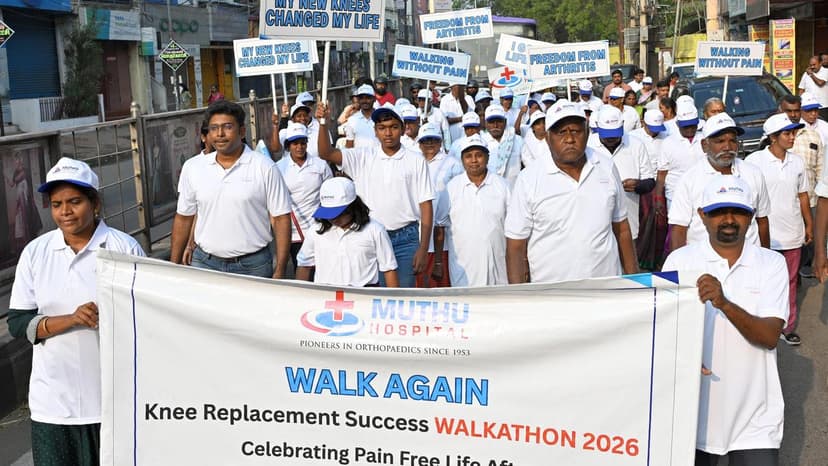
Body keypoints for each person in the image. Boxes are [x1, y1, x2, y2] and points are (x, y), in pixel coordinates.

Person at [7, 157, 145, 466]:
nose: (65, 212)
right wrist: (71, 319)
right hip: (53, 405)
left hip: (112, 403)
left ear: (95, 203)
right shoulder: (36, 253)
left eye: (75, 202)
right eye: (57, 204)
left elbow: (146, 318)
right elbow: (17, 322)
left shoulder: (123, 248)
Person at [662, 174, 787, 466]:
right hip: (692, 416)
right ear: (702, 216)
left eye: (737, 212)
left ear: (751, 216)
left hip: (756, 421)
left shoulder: (772, 264)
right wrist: (684, 357)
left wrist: (724, 303)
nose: (729, 220)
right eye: (719, 212)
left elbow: (770, 337)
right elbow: (664, 334)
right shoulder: (679, 262)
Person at [505, 101, 639, 283]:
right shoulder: (529, 179)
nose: (569, 139)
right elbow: (515, 245)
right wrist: (518, 295)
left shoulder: (606, 167)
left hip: (607, 288)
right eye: (561, 132)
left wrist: (635, 282)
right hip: (553, 292)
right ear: (548, 138)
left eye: (576, 131)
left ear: (587, 133)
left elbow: (622, 228)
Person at [316, 102, 434, 288]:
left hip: (405, 239)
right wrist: (323, 123)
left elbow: (426, 205)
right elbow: (326, 153)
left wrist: (423, 248)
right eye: (382, 128)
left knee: (400, 297)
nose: (388, 133)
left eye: (393, 127)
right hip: (367, 235)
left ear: (402, 129)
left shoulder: (416, 160)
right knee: (370, 294)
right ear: (375, 131)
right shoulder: (362, 156)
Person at [171, 100, 292, 278]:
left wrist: (280, 268)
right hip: (204, 263)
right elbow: (184, 218)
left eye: (227, 127)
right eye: (214, 128)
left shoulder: (264, 167)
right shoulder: (193, 167)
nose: (220, 134)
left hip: (253, 267)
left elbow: (281, 219)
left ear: (242, 131)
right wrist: (173, 267)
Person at [745, 113, 811, 345]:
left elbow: (802, 195)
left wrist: (808, 224)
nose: (792, 137)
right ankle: (758, 322)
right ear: (773, 137)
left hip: (792, 231)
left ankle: (786, 326)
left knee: (790, 282)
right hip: (764, 234)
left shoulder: (797, 162)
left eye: (793, 133)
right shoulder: (754, 162)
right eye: (787, 133)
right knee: (761, 281)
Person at [668, 112, 771, 250]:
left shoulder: (753, 173)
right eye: (720, 141)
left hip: (749, 257)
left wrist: (764, 256)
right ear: (704, 145)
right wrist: (679, 262)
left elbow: (762, 220)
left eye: (732, 141)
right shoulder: (690, 179)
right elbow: (679, 228)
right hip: (703, 259)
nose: (727, 147)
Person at [435, 134, 511, 286]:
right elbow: (439, 226)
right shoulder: (451, 188)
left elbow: (514, 226)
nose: (474, 160)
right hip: (463, 270)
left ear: (487, 158)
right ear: (462, 160)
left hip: (498, 266)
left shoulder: (503, 185)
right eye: (468, 156)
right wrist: (438, 262)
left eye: (479, 155)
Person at [295, 177, 398, 287]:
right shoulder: (315, 231)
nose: (333, 218)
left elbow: (389, 268)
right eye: (328, 213)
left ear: (352, 207)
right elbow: (304, 265)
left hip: (364, 293)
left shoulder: (375, 230)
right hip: (325, 294)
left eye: (338, 213)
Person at [588, 105, 655, 244]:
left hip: (628, 220)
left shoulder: (636, 145)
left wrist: (638, 185)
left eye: (615, 134)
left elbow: (649, 181)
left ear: (623, 124)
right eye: (607, 135)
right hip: (595, 223)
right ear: (597, 126)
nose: (611, 139)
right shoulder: (588, 146)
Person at [275, 122, 333, 273]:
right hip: (294, 232)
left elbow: (330, 196)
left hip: (320, 228)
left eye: (303, 143)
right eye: (295, 144)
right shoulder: (278, 168)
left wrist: (327, 221)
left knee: (324, 270)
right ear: (288, 146)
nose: (299, 147)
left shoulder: (320, 165)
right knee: (302, 270)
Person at [415, 124, 463, 288]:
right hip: (417, 237)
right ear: (419, 143)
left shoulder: (452, 164)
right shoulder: (414, 161)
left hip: (443, 239)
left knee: (439, 287)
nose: (429, 143)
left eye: (433, 140)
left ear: (440, 141)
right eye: (425, 140)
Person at [655, 98, 705, 211]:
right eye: (686, 126)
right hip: (676, 197)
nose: (690, 129)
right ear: (678, 124)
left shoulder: (705, 139)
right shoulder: (668, 143)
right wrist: (658, 197)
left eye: (693, 125)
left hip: (702, 195)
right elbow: (662, 173)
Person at [481, 104, 523, 187]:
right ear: (486, 123)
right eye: (491, 122)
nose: (495, 125)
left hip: (514, 190)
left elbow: (530, 165)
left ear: (505, 122)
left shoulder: (517, 140)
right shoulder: (480, 143)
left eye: (499, 121)